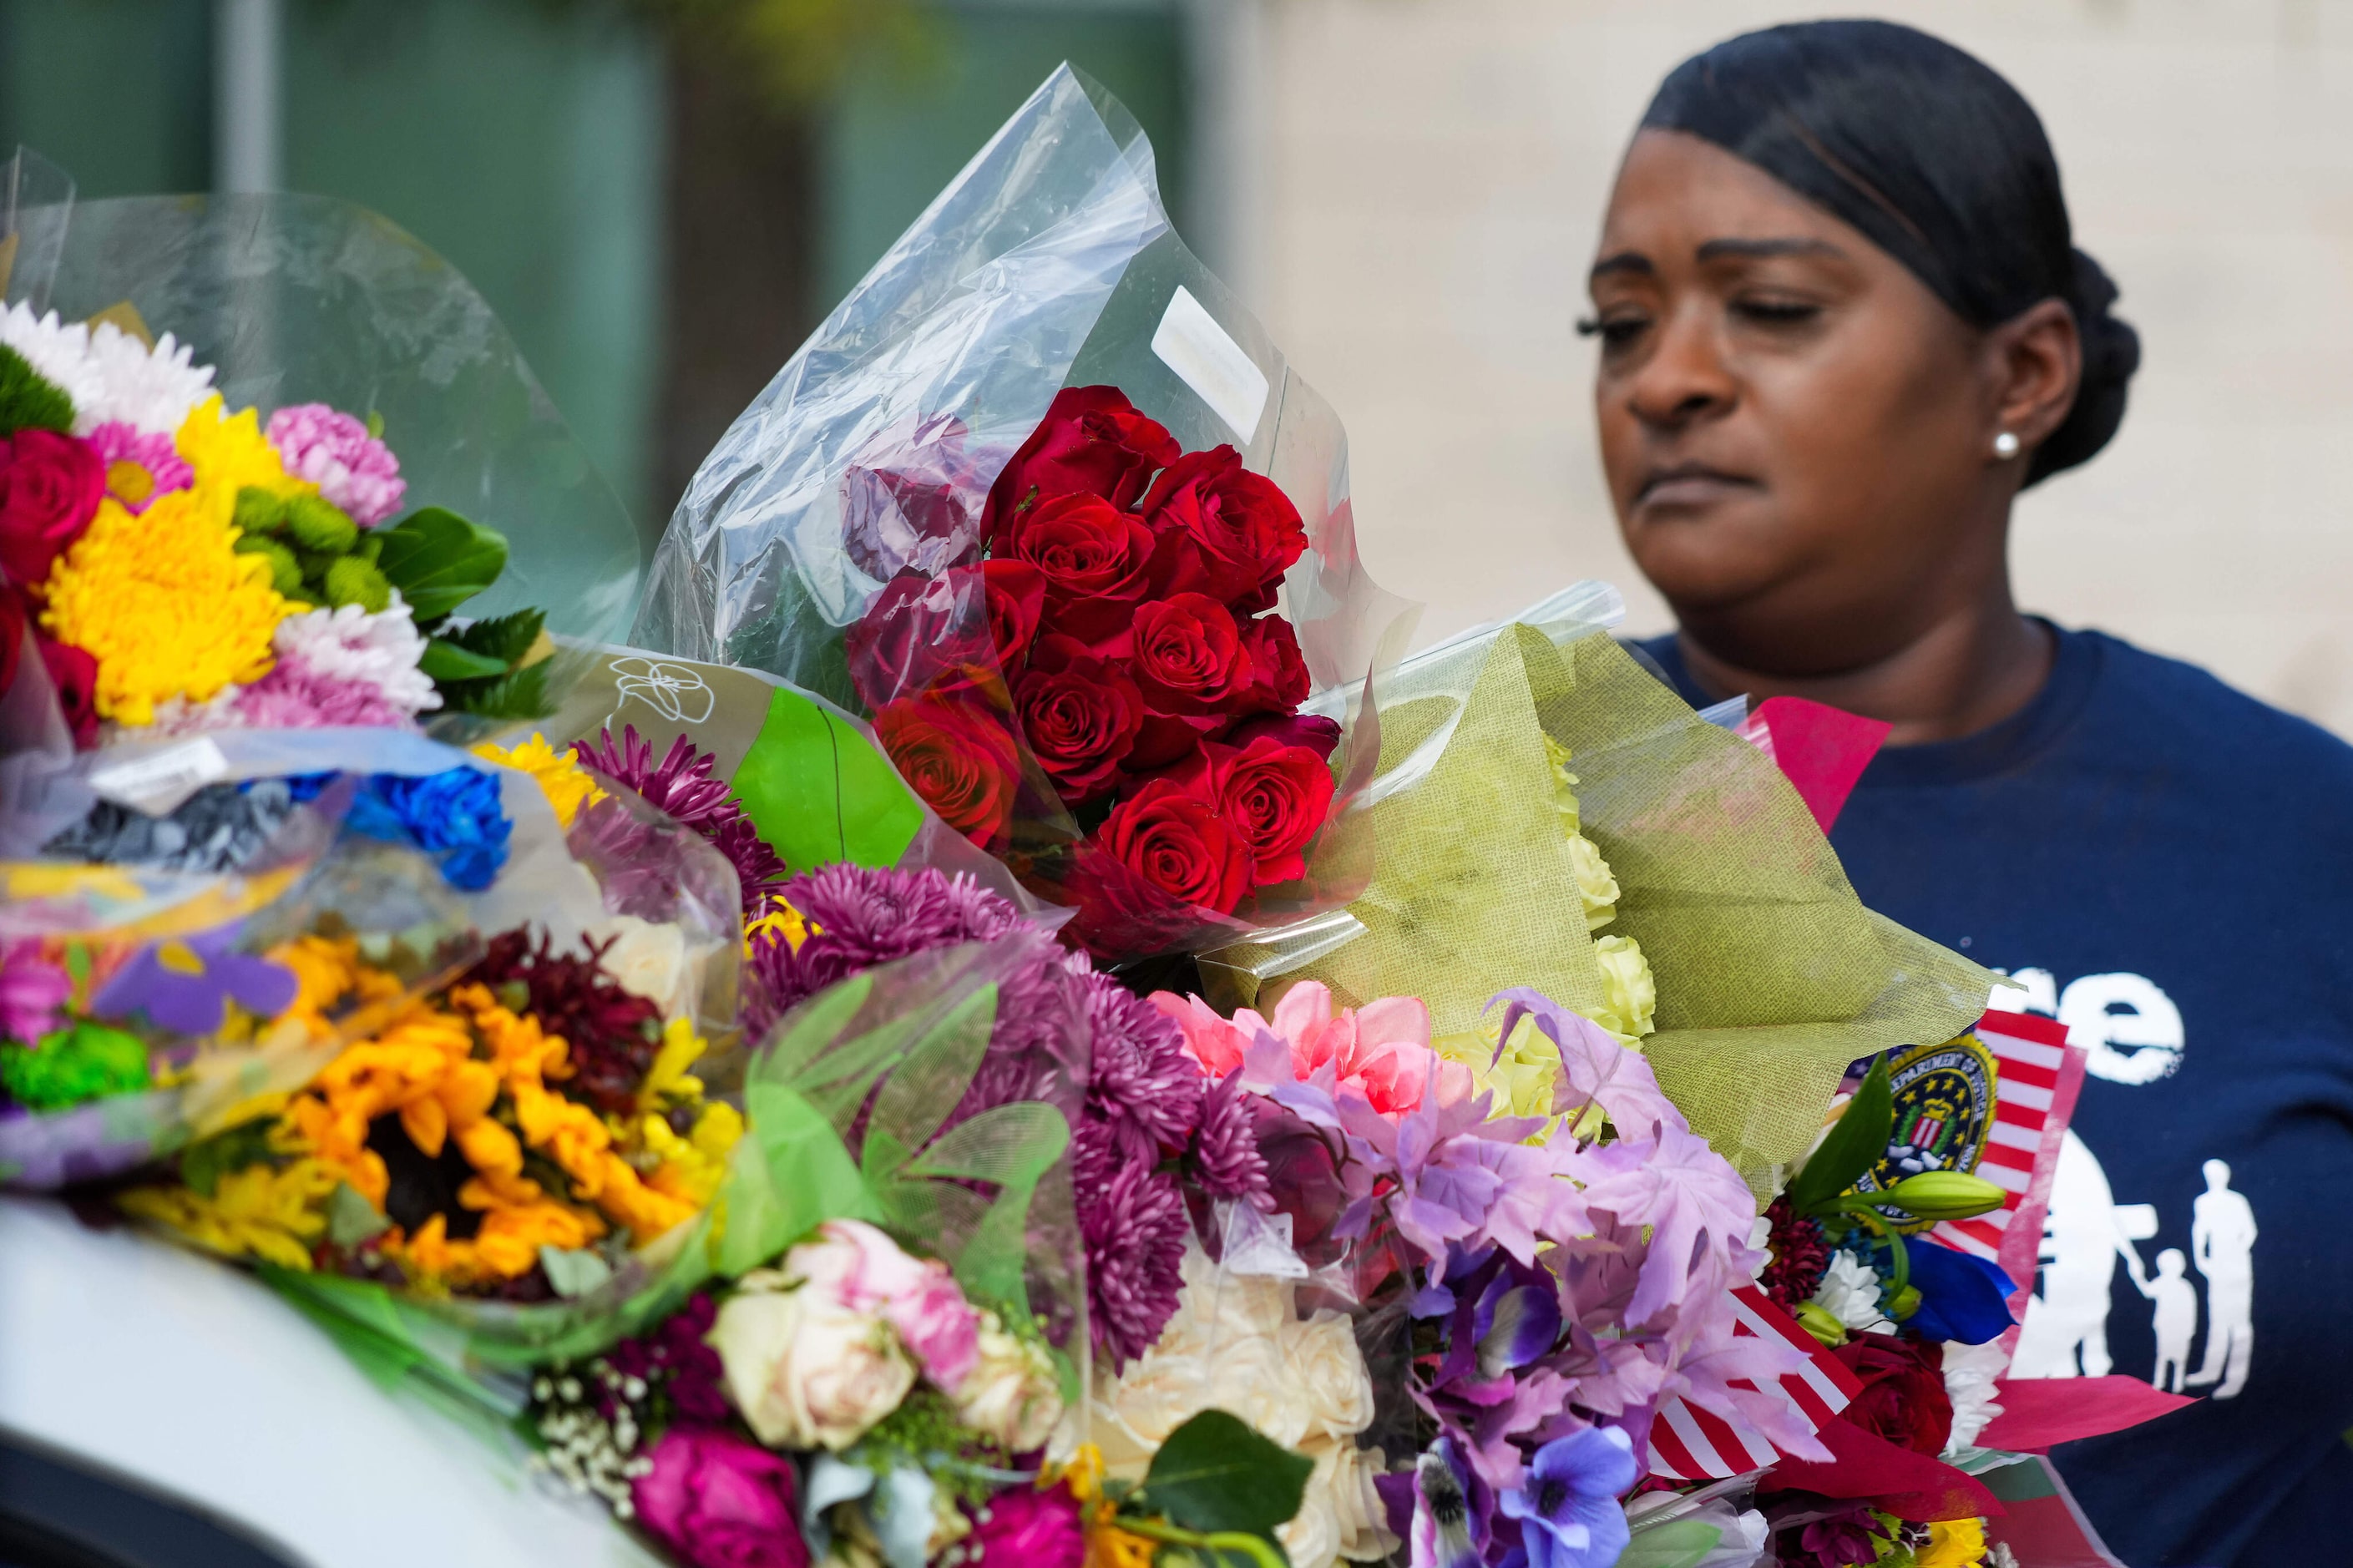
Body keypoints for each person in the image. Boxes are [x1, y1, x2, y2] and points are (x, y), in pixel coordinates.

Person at [1585, 20, 2353, 1565]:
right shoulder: (1499, 808)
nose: (1665, 379)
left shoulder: (2298, 834)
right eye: (1615, 324)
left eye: (1771, 307)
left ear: (2021, 370)